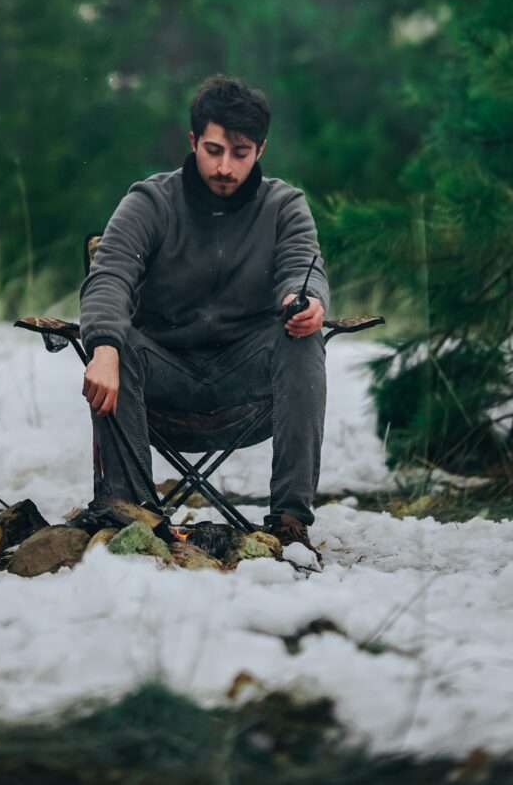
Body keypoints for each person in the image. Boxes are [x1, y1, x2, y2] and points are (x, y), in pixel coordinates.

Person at [79, 74, 327, 561]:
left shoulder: (285, 206)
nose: (224, 166)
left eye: (240, 152)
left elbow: (302, 267)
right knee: (117, 341)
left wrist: (306, 301)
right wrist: (104, 344)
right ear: (193, 141)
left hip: (246, 386)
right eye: (213, 150)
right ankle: (134, 514)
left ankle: (291, 521)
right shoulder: (149, 201)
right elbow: (108, 276)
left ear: (261, 150)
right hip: (161, 382)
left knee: (303, 339)